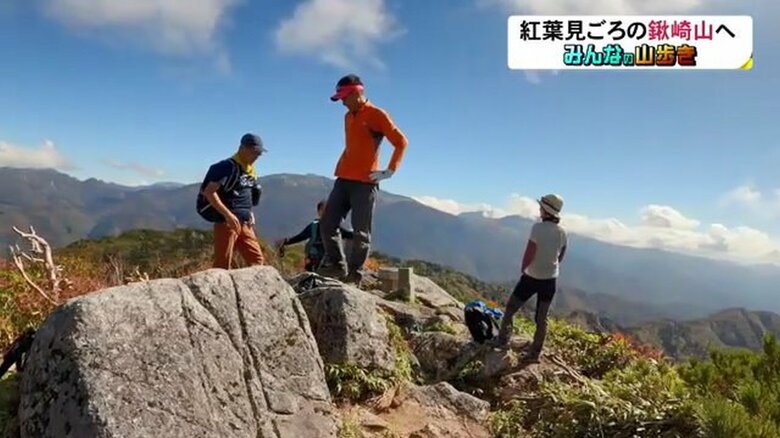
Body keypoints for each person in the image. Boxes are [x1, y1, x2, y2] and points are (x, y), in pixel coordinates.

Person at [318, 74, 409, 284]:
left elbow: (401, 141)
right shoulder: (348, 116)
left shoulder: (377, 115)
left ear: (357, 93)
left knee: (361, 233)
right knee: (327, 223)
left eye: (344, 97)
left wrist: (390, 169)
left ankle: (355, 275)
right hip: (343, 178)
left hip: (365, 183)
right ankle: (337, 267)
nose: (341, 102)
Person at [491, 194, 568, 362]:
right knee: (541, 319)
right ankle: (535, 353)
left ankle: (503, 340)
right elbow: (561, 255)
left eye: (541, 207)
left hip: (531, 277)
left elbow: (529, 252)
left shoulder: (537, 228)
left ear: (546, 211)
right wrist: (551, 266)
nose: (539, 209)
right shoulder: (562, 232)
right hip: (550, 280)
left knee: (511, 308)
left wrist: (524, 269)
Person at [197, 133, 267, 269]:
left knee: (257, 261)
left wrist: (249, 212)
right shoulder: (226, 167)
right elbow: (209, 192)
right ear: (242, 148)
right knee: (223, 263)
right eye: (254, 152)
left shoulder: (250, 170)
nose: (256, 157)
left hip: (245, 222)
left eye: (258, 154)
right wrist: (228, 215)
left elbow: (245, 193)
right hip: (226, 223)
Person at [275, 200, 355, 272]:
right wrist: (285, 242)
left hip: (322, 260)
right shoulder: (316, 227)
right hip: (317, 260)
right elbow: (300, 237)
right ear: (319, 212)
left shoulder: (330, 227)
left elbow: (349, 235)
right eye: (324, 211)